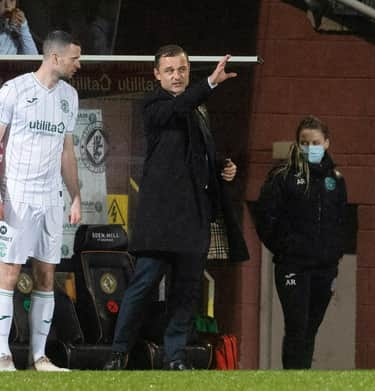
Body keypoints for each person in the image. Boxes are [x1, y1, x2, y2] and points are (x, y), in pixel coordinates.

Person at [102, 45, 237, 370]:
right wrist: (210, 84)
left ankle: (174, 357)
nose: (177, 76)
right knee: (143, 284)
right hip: (161, 220)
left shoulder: (198, 110)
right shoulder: (154, 105)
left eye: (182, 70)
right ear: (157, 75)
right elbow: (176, 110)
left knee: (186, 292)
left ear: (188, 71)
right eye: (170, 71)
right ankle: (118, 352)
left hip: (193, 219)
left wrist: (220, 167)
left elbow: (190, 153)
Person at [0, 30, 81, 371]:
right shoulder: (14, 89)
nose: (78, 64)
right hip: (17, 196)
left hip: (51, 197)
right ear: (55, 58)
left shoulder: (69, 95)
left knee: (46, 275)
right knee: (8, 273)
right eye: (75, 58)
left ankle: (38, 356)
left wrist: (76, 196)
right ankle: (2, 355)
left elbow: (67, 151)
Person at [256, 115, 347, 369]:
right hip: (293, 266)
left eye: (315, 142)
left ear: (327, 143)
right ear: (297, 144)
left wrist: (335, 254)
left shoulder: (336, 180)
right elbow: (264, 218)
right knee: (296, 327)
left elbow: (342, 221)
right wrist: (285, 249)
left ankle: (303, 379)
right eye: (304, 143)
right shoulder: (282, 177)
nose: (310, 148)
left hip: (325, 267)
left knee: (310, 330)